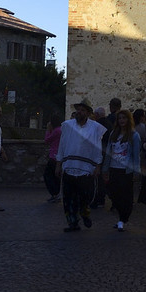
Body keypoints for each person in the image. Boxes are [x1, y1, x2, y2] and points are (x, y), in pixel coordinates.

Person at [57, 98, 106, 231]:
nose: (79, 112)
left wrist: (98, 165)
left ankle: (84, 213)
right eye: (78, 109)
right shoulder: (67, 125)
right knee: (68, 198)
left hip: (86, 169)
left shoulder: (95, 128)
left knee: (85, 196)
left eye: (82, 110)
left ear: (88, 113)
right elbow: (62, 145)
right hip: (69, 166)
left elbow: (97, 147)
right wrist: (58, 163)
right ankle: (72, 222)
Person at [105, 109, 141, 230]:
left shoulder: (134, 136)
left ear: (128, 119)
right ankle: (121, 216)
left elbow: (136, 155)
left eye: (124, 118)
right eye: (120, 118)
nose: (122, 121)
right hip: (114, 168)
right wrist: (105, 168)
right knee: (114, 194)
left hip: (126, 170)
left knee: (125, 195)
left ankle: (122, 218)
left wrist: (137, 170)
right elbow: (109, 152)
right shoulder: (113, 134)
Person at [43, 118, 62, 203]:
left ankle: (55, 193)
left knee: (49, 175)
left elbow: (47, 140)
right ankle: (56, 193)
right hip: (57, 155)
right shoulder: (60, 130)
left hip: (54, 156)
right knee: (55, 176)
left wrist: (48, 130)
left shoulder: (56, 131)